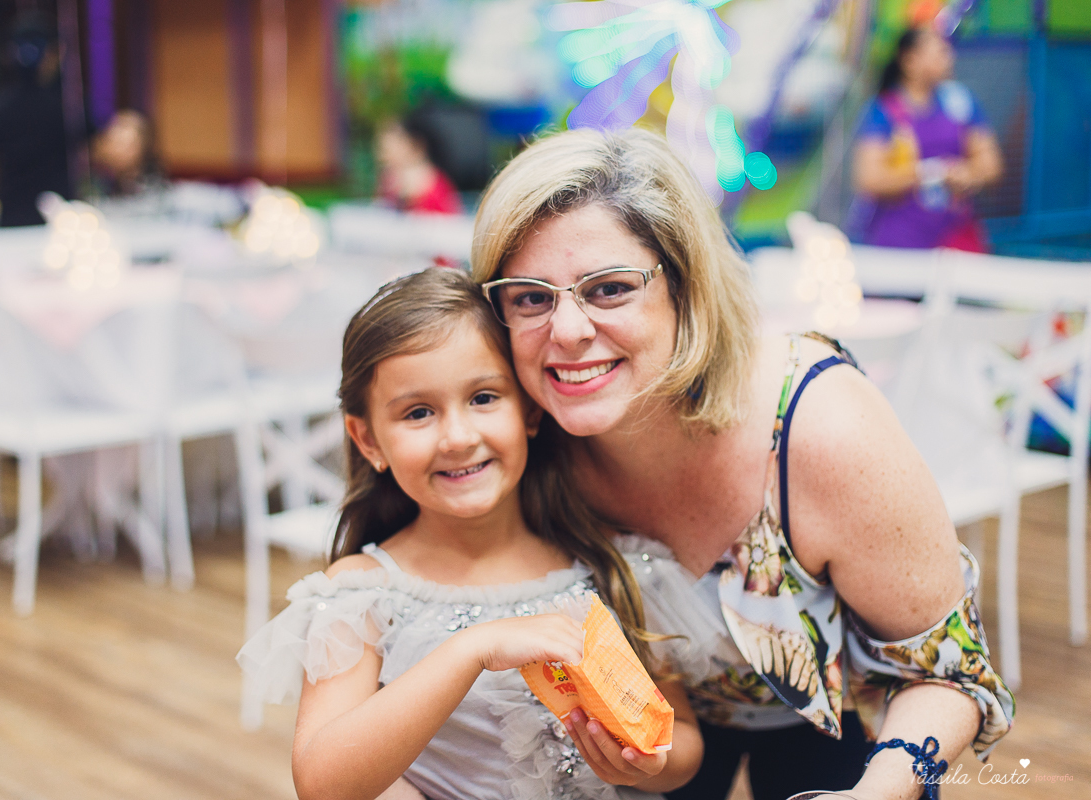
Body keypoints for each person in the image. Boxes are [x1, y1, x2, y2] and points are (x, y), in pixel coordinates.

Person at [470, 128, 1015, 800]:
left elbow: (952, 676)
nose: (568, 330)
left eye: (609, 289)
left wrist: (878, 793)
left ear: (686, 286)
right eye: (530, 296)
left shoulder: (818, 427)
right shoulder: (514, 434)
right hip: (643, 737)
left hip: (851, 730)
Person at [238, 268, 717, 800]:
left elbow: (687, 746)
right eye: (419, 413)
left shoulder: (611, 565)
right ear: (368, 439)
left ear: (530, 408)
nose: (459, 437)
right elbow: (322, 783)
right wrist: (471, 649)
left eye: (484, 398)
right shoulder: (360, 595)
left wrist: (649, 762)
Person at [851, 26, 1003, 252]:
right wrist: (929, 172)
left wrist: (968, 175)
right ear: (910, 60)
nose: (949, 58)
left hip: (955, 237)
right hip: (900, 241)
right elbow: (869, 179)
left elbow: (991, 165)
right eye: (939, 52)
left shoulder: (958, 101)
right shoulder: (884, 111)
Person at [0, 13, 74, 227]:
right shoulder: (69, 109)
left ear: (7, 56)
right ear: (53, 54)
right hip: (61, 227)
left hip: (11, 226)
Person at [375, 114, 463, 215]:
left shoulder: (434, 186)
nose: (383, 157)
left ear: (415, 146)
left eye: (389, 151)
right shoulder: (390, 181)